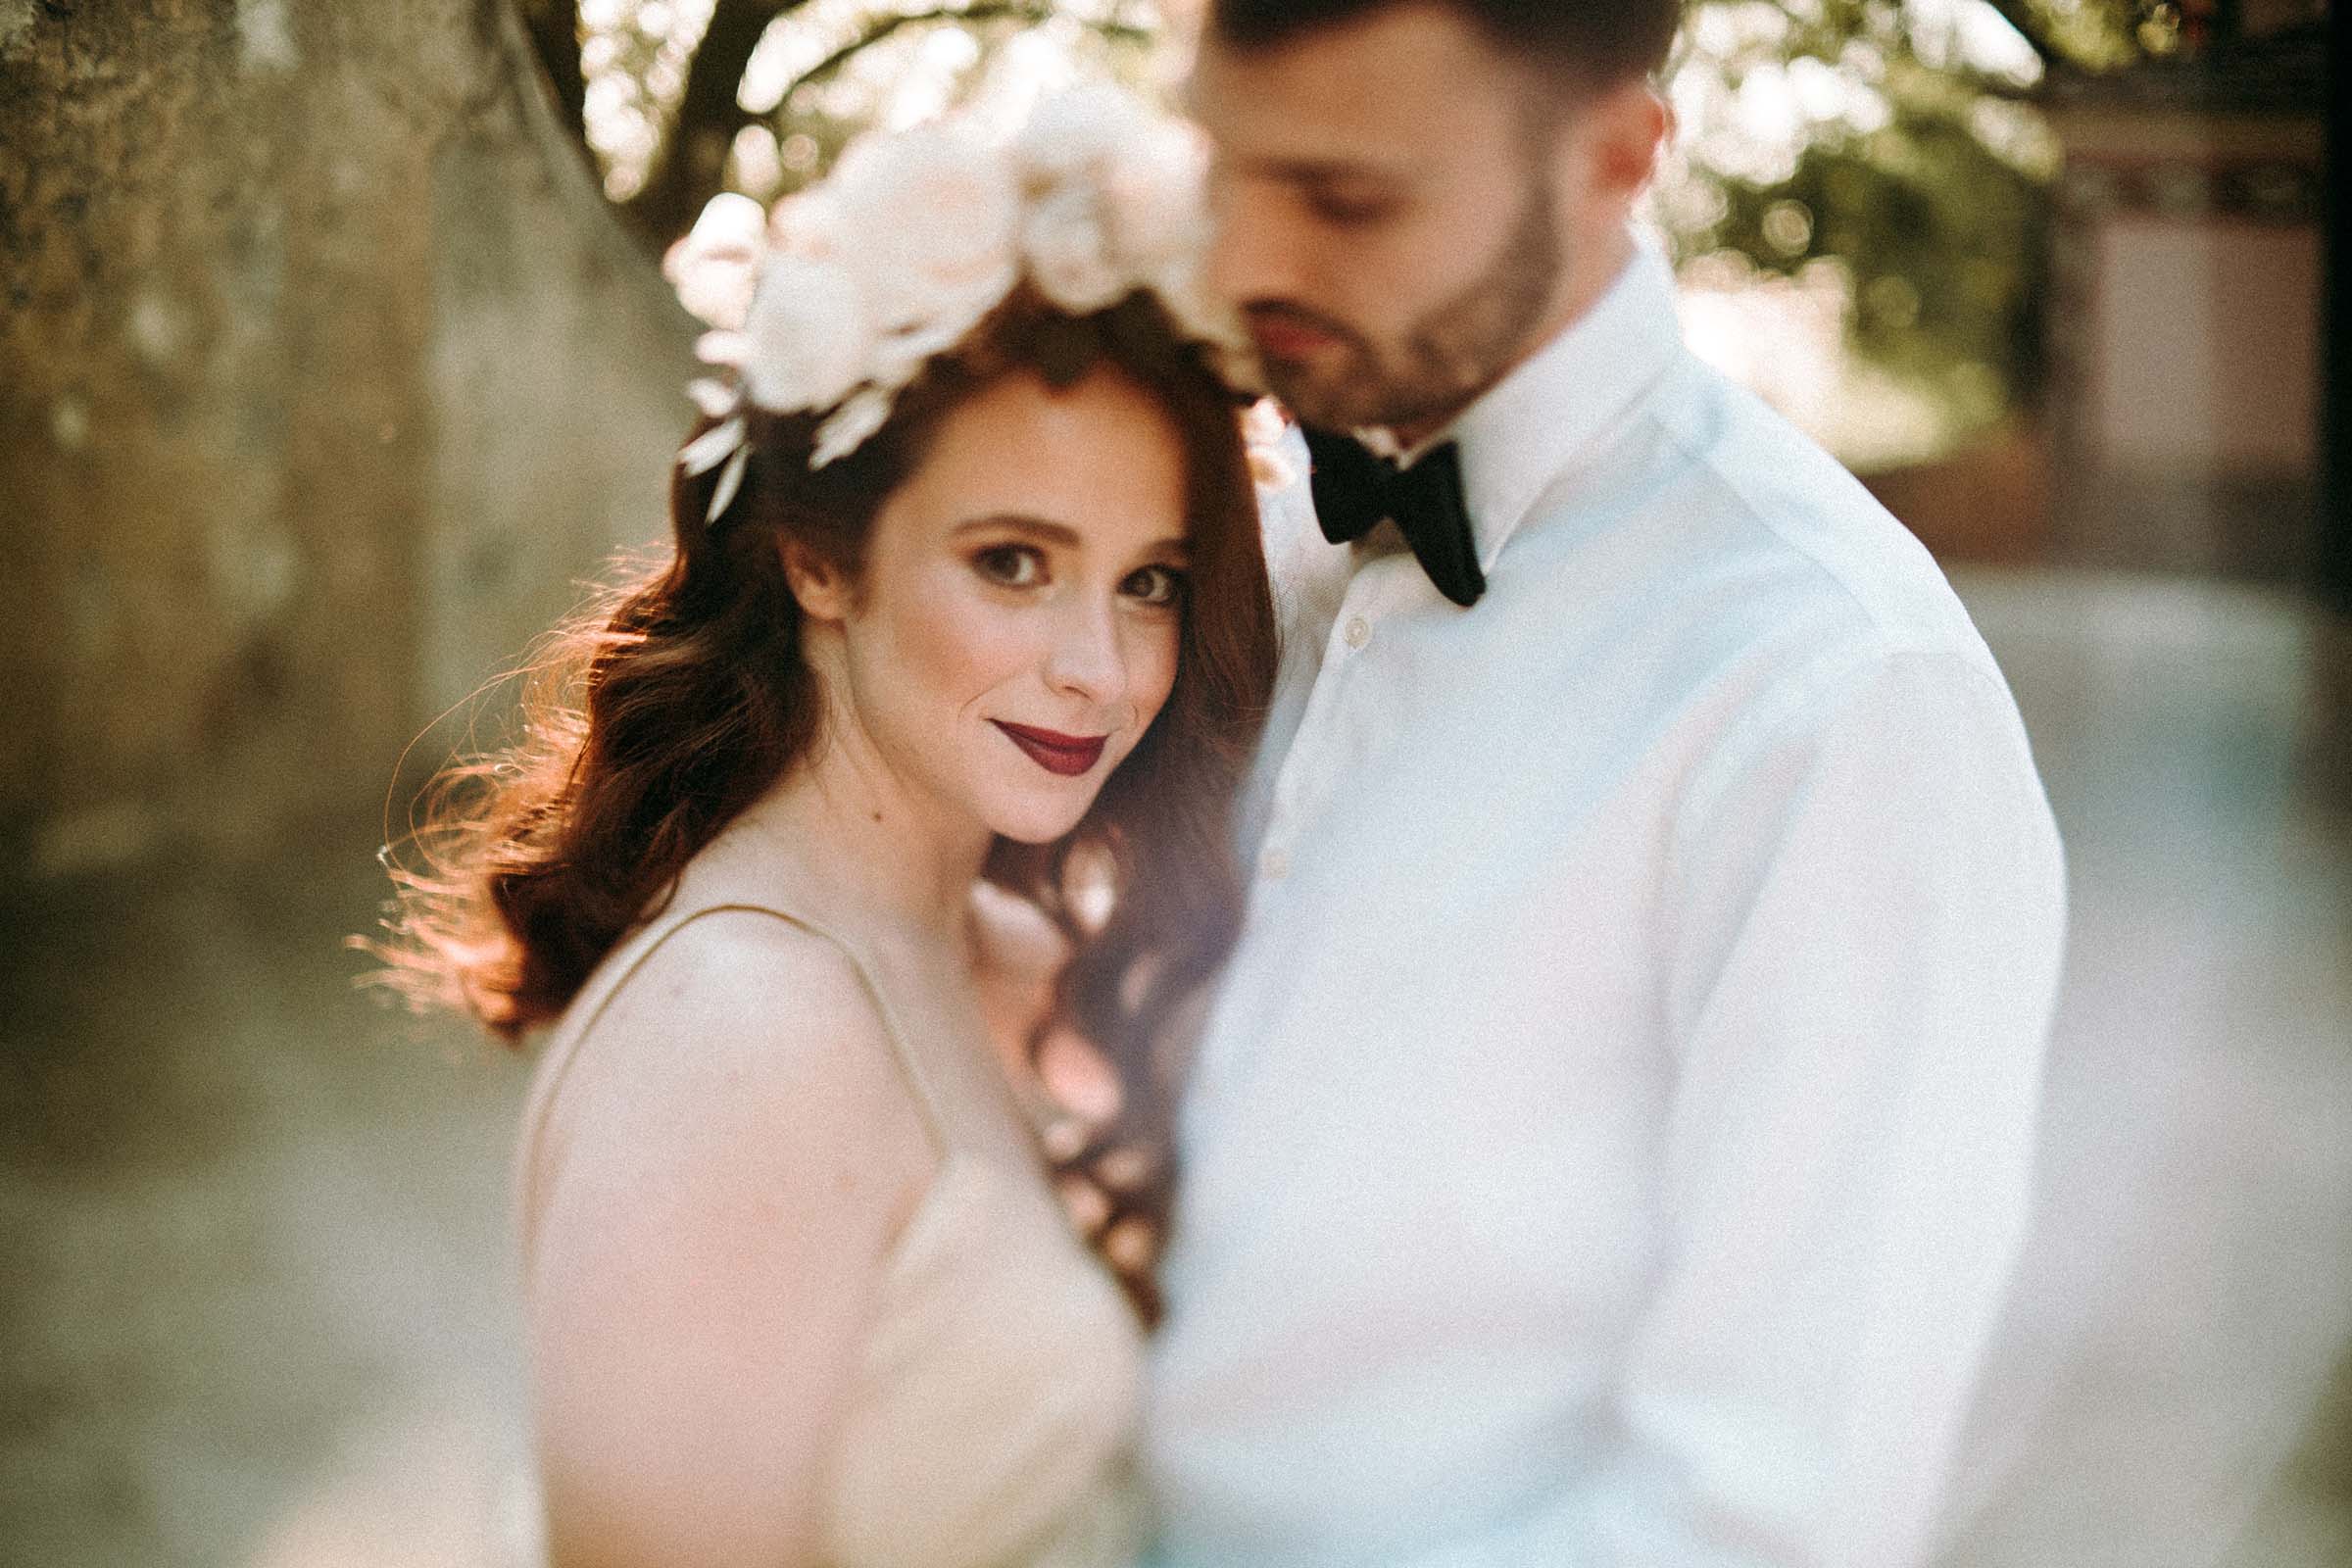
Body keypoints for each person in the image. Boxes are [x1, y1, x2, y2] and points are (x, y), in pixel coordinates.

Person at [1143, 3, 2070, 1564]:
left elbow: (1765, 1519)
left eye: (1349, 200)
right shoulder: (1239, 553)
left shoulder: (1836, 698)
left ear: (1617, 158)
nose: (1245, 267)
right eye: (1223, 174)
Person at [374, 85, 1276, 1568]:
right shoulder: (743, 1045)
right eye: (1012, 563)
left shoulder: (1007, 940)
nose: (1100, 670)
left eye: (1150, 581)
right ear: (818, 558)